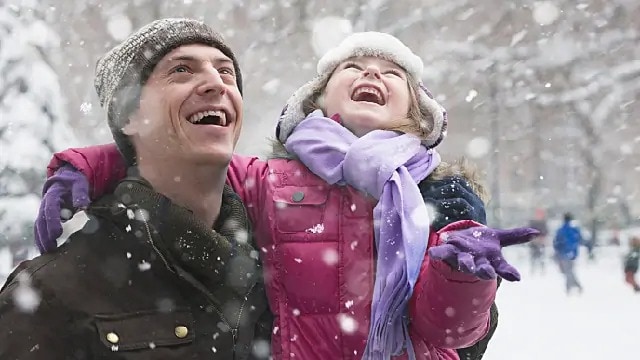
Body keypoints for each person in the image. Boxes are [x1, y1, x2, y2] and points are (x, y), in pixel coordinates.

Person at [32, 31, 538, 359]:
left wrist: (461, 274)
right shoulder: (270, 180)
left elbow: (449, 335)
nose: (371, 75)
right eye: (353, 68)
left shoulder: (443, 196)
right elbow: (177, 154)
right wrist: (84, 168)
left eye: (391, 74)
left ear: (416, 113)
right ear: (318, 101)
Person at [0, 18, 271, 359]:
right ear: (128, 117)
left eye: (226, 72)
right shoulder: (53, 292)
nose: (216, 84)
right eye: (182, 70)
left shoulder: (285, 264)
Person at [553, 212, 584, 294]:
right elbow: (580, 239)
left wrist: (558, 251)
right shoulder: (575, 229)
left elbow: (556, 242)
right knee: (569, 270)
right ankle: (575, 286)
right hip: (573, 253)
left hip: (563, 253)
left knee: (567, 271)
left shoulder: (561, 230)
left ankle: (571, 287)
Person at [527, 208, 549, 274]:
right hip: (534, 243)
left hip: (541, 242)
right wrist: (533, 238)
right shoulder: (532, 222)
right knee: (534, 257)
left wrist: (542, 238)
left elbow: (546, 232)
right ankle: (533, 269)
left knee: (541, 257)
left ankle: (542, 270)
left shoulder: (543, 223)